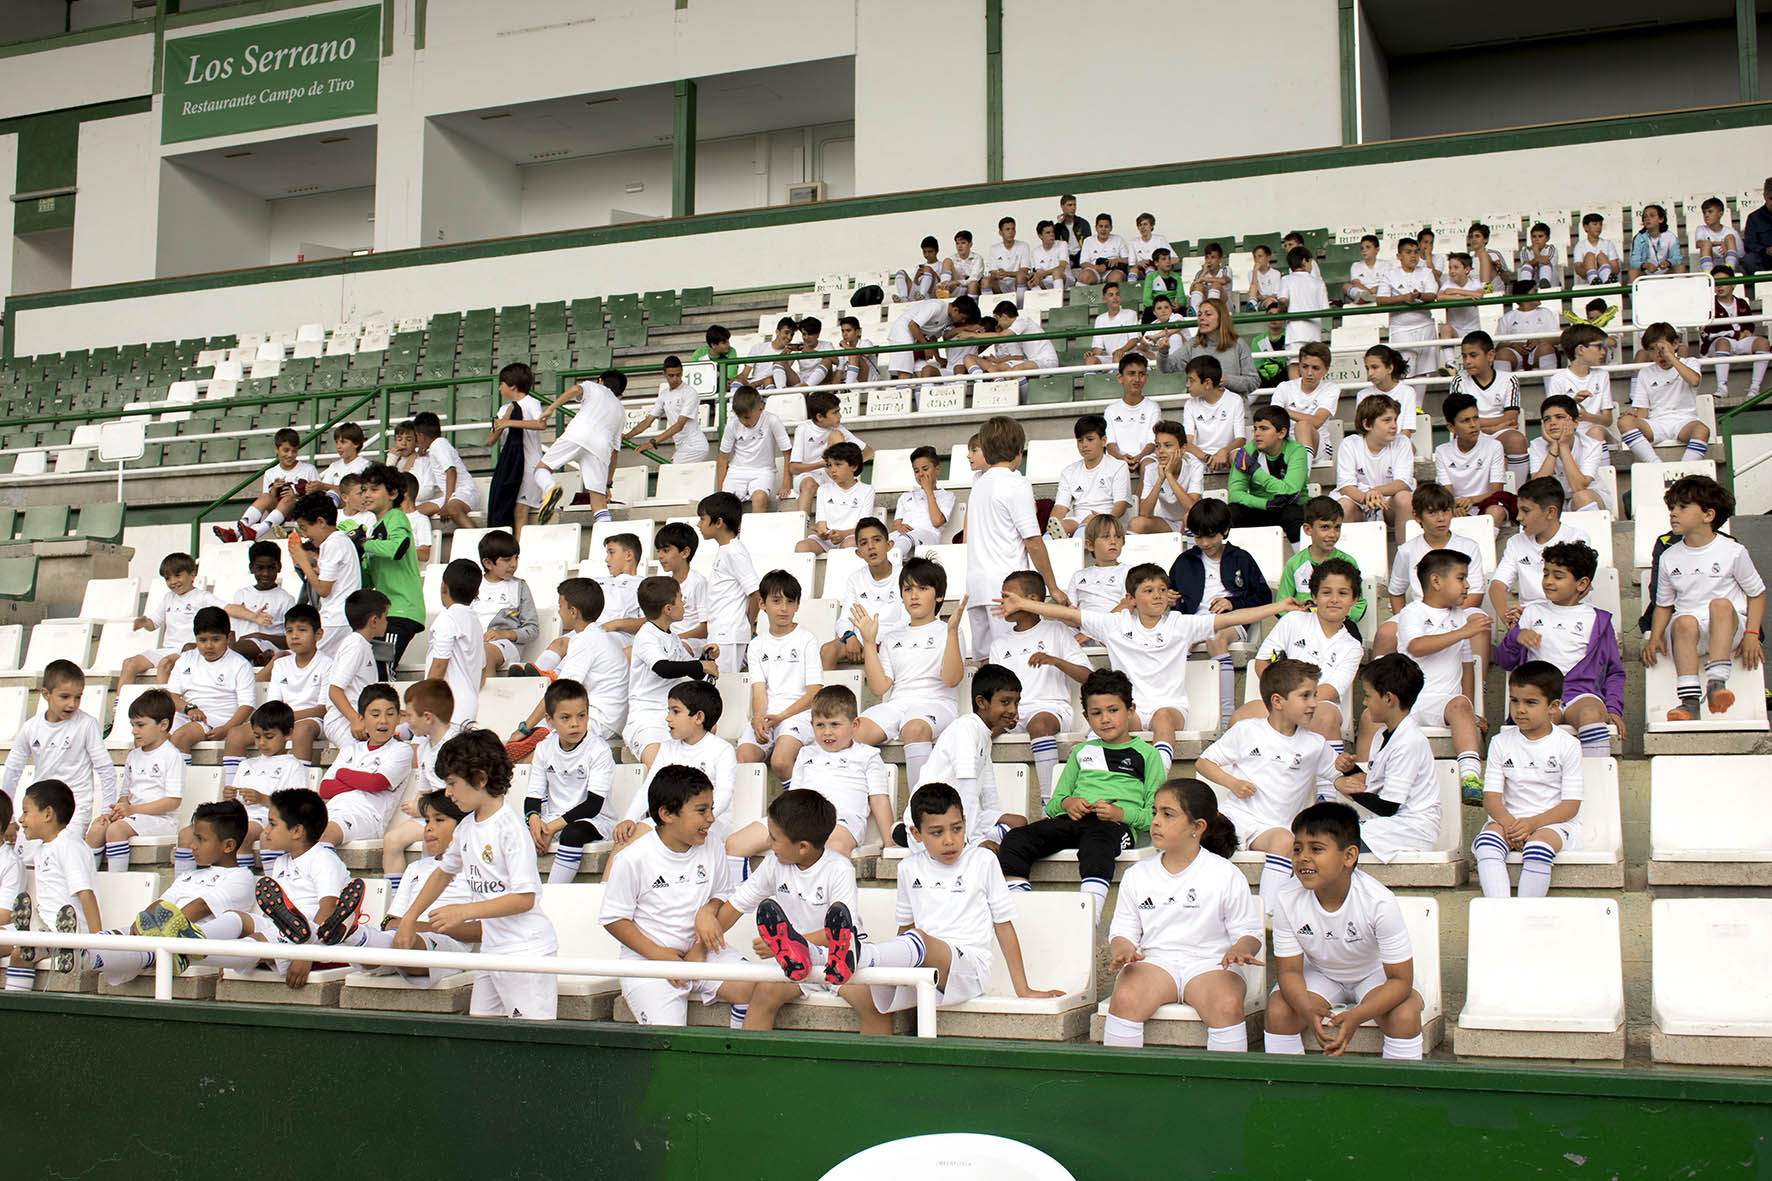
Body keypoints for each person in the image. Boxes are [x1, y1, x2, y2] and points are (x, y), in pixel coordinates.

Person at [999, 568, 1288, 771]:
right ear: (1132, 598)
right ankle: (1096, 771)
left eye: (1162, 590)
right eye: (1148, 590)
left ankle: (1157, 773)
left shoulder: (1180, 623)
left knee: (1162, 716)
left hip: (1170, 706)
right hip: (1132, 708)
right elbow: (1068, 614)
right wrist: (1023, 603)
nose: (1158, 596)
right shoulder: (1116, 624)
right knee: (1114, 717)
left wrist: (1278, 605)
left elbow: (1232, 618)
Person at [826, 782, 1057, 1018]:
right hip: (924, 965)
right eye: (937, 832)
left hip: (970, 969)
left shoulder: (983, 860)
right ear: (916, 834)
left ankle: (860, 955)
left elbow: (1003, 925)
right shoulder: (908, 868)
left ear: (965, 823)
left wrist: (1023, 989)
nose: (949, 840)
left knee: (915, 939)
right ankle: (818, 955)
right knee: (897, 952)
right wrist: (897, 969)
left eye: (956, 829)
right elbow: (904, 928)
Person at [394, 729, 556, 1018]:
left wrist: (463, 910)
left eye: (453, 783)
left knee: (532, 1045)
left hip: (525, 954)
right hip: (491, 953)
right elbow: (443, 873)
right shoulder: (467, 827)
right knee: (483, 1035)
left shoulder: (510, 828)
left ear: (480, 779)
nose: (448, 792)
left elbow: (525, 898)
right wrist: (408, 919)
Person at [699, 789, 883, 1032]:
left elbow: (840, 932)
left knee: (874, 1006)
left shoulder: (839, 868)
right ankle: (749, 1064)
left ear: (803, 847)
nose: (768, 843)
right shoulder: (775, 863)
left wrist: (789, 943)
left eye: (774, 838)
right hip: (797, 962)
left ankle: (872, 1069)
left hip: (841, 957)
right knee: (764, 992)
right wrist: (700, 944)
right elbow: (735, 906)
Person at [1100, 778, 1262, 1052]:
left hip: (1211, 964)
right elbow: (1123, 931)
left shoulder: (1225, 873)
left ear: (1197, 827)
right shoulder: (1137, 875)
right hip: (1156, 962)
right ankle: (1120, 1086)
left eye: (1168, 814)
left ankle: (1227, 1089)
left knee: (1226, 1003)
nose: (1155, 822)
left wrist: (1241, 948)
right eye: (1154, 812)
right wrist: (1124, 949)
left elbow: (1249, 932)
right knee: (1126, 994)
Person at [602, 765, 765, 1029]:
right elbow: (613, 918)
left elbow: (721, 894)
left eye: (711, 808)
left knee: (759, 990)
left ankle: (738, 1060)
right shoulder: (633, 858)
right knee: (669, 1040)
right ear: (666, 814)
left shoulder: (711, 843)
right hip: (649, 962)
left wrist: (707, 914)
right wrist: (660, 956)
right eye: (702, 811)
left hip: (706, 952)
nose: (711, 819)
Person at [1265, 801, 1426, 1059]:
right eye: (1297, 849)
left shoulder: (1379, 901)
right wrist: (1306, 1010)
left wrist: (1356, 1017)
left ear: (1349, 856)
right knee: (1279, 1010)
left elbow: (1400, 981)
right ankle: (1284, 1092)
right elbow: (1290, 972)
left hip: (1374, 977)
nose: (1303, 858)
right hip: (1320, 974)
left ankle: (1401, 1096)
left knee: (1404, 1014)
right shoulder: (1286, 898)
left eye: (1316, 849)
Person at [1196, 659, 1338, 900]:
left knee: (1285, 841)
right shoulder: (1247, 730)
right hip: (1235, 817)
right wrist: (1233, 783)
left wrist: (1348, 774)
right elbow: (1203, 763)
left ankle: (1269, 916)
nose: (1314, 703)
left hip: (1273, 829)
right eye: (1305, 696)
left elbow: (1340, 777)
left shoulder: (1315, 744)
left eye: (1315, 695)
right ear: (1277, 701)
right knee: (1197, 833)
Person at [201, 787, 363, 990]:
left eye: (272, 824)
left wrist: (308, 954)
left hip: (311, 936)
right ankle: (190, 939)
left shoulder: (323, 859)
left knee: (259, 941)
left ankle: (191, 956)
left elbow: (329, 909)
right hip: (282, 929)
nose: (265, 831)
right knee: (235, 918)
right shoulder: (281, 862)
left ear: (296, 831)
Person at [95, 800, 257, 988]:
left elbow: (201, 906)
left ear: (228, 845)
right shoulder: (189, 876)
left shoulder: (241, 877)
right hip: (158, 936)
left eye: (201, 839)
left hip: (190, 947)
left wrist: (157, 931)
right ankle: (81, 952)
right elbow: (161, 903)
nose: (193, 845)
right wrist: (141, 923)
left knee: (143, 949)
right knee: (116, 936)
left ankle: (89, 956)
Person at [1645, 475, 1765, 720]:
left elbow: (1757, 594)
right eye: (1672, 507)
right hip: (1688, 635)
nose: (1673, 513)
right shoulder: (1669, 556)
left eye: (1683, 507)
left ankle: (1716, 685)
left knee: (1721, 605)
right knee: (1684, 621)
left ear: (1708, 515)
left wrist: (1752, 634)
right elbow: (1664, 605)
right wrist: (1655, 636)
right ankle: (1689, 703)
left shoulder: (1733, 551)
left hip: (1729, 631)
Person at [338, 788, 481, 986]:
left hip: (450, 945)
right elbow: (390, 921)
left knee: (406, 945)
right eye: (426, 821)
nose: (428, 828)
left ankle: (354, 935)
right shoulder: (416, 868)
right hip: (402, 937)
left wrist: (416, 927)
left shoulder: (477, 868)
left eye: (438, 820)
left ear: (462, 827)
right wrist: (406, 928)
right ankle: (353, 936)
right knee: (372, 955)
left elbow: (480, 931)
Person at [1495, 540, 1624, 757]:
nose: (1548, 581)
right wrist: (1516, 636)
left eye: (1558, 576)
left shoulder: (1598, 620)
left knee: (1592, 713)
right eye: (1545, 574)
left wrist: (1613, 709)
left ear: (1581, 584)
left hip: (1582, 694)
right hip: (1540, 694)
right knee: (1535, 719)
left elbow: (1614, 671)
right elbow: (1505, 661)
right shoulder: (1530, 613)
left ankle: (1596, 777)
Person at [1472, 661, 1585, 899]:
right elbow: (1491, 799)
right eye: (1514, 700)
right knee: (1487, 844)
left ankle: (1525, 913)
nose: (1520, 709)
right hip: (1508, 821)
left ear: (1553, 706)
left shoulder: (1568, 745)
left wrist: (1532, 825)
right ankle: (1499, 911)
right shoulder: (1501, 742)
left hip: (1552, 824)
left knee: (1538, 848)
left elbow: (1570, 806)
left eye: (1530, 702)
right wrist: (1512, 826)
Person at [853, 557, 967, 787]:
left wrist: (953, 631)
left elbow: (951, 679)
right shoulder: (892, 636)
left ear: (938, 596)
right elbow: (879, 687)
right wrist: (868, 642)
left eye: (922, 588)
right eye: (907, 589)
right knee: (853, 732)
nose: (914, 595)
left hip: (937, 703)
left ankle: (919, 805)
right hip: (898, 705)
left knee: (914, 728)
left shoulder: (950, 631)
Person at [1171, 497, 1281, 731]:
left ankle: (1227, 717)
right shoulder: (1184, 561)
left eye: (1210, 536)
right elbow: (1173, 599)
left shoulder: (1241, 558)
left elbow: (1262, 596)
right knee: (1180, 644)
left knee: (1216, 637)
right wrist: (1171, 601)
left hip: (1231, 622)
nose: (1204, 542)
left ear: (1225, 531)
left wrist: (1233, 602)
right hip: (1192, 622)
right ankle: (1180, 708)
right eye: (1198, 536)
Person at [1388, 549, 1489, 802]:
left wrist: (1471, 707)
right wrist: (1464, 632)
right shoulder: (1412, 612)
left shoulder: (1461, 617)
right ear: (1436, 581)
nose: (1468, 586)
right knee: (1372, 716)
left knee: (1461, 705)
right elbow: (1416, 646)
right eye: (1461, 578)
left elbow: (1467, 666)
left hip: (1445, 703)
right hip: (1409, 702)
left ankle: (1470, 776)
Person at [1233, 559, 1364, 751]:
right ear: (1314, 595)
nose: (1334, 599)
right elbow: (1263, 661)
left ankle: (1330, 780)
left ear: (1354, 599)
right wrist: (1285, 698)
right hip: (1281, 700)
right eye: (1327, 592)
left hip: (1319, 705)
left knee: (1327, 717)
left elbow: (1331, 689)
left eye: (1343, 593)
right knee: (1239, 718)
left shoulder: (1352, 647)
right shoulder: (1293, 621)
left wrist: (1297, 702)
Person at [964, 415, 1066, 656]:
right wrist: (1053, 587)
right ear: (1019, 451)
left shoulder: (978, 485)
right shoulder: (1015, 483)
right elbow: (1032, 540)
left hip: (976, 587)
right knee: (1015, 660)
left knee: (988, 663)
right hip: (1006, 588)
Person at [991, 571, 1091, 805]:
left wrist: (1055, 661)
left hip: (1050, 709)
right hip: (1012, 714)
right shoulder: (999, 644)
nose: (1001, 602)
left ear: (1032, 598)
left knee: (1040, 723)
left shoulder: (1056, 631)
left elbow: (1087, 676)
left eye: (1008, 596)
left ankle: (1050, 802)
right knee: (978, 731)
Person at [899, 663, 1025, 847]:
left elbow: (988, 787)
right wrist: (976, 839)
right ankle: (910, 833)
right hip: (936, 818)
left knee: (1019, 822)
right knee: (992, 848)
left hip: (960, 814)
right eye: (1005, 702)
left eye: (1016, 702)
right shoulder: (965, 728)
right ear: (982, 702)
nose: (1013, 710)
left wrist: (994, 820)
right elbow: (967, 789)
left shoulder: (984, 734)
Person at [1330, 655, 1440, 863]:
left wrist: (1350, 790)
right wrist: (1350, 771)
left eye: (1368, 696)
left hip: (1411, 828)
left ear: (1389, 699)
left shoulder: (1409, 742)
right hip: (1392, 825)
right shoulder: (1383, 735)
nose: (1364, 702)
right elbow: (1376, 783)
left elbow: (1388, 806)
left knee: (1333, 849)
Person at [3, 660, 114, 863]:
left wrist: (107, 808)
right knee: (25, 863)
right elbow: (12, 771)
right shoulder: (31, 728)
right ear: (46, 694)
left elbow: (105, 768)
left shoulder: (86, 724)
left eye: (78, 697)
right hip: (39, 807)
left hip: (73, 808)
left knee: (59, 860)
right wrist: (8, 818)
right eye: (65, 697)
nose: (72, 704)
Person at [5, 780, 103, 987]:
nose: (21, 820)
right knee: (19, 954)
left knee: (31, 945)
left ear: (48, 814)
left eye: (25, 812)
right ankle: (17, 1009)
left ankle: (71, 946)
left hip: (75, 932)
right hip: (49, 931)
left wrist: (97, 942)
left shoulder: (69, 846)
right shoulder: (41, 850)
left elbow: (86, 894)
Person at [509, 580, 628, 750]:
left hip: (600, 719)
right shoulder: (594, 636)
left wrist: (525, 728)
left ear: (573, 612)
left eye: (561, 606)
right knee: (543, 739)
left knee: (542, 751)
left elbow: (560, 692)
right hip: (604, 716)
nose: (559, 612)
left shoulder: (586, 641)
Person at [525, 679, 619, 885]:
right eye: (565, 718)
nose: (575, 723)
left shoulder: (599, 750)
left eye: (581, 715)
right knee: (515, 832)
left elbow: (593, 805)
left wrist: (550, 828)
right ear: (549, 720)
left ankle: (553, 892)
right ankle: (522, 891)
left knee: (572, 833)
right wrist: (534, 823)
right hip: (553, 817)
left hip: (593, 819)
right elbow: (533, 795)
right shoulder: (544, 748)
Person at [1377, 481, 1487, 657]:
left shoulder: (1468, 546)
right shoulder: (1407, 550)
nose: (1441, 518)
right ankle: (1384, 683)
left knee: (1480, 623)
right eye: (1432, 512)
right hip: (1421, 612)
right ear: (1417, 516)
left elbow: (1475, 594)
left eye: (1445, 510)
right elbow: (1396, 592)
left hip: (1460, 610)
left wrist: (1446, 619)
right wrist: (1406, 619)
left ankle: (1479, 683)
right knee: (1386, 633)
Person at [736, 569, 821, 787]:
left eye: (790, 601)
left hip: (797, 715)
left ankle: (798, 811)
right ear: (762, 604)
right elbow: (759, 689)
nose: (784, 608)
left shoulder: (807, 639)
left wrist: (781, 716)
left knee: (780, 762)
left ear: (797, 605)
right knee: (743, 758)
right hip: (768, 716)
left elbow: (814, 693)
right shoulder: (756, 645)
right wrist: (757, 718)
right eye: (776, 601)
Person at [88, 689, 183, 873]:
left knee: (116, 831)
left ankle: (116, 880)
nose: (134, 731)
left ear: (163, 724)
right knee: (97, 828)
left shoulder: (171, 756)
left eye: (140, 725)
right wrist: (117, 811)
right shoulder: (133, 756)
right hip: (135, 816)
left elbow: (172, 801)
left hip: (162, 820)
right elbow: (125, 796)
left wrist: (132, 810)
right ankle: (88, 882)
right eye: (133, 725)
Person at [626, 575, 718, 767]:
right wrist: (701, 665)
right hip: (647, 720)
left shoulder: (672, 638)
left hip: (675, 717)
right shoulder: (646, 635)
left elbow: (695, 672)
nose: (684, 603)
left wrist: (706, 658)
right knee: (660, 769)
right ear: (668, 609)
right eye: (680, 599)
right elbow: (663, 668)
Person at [316, 682, 413, 858]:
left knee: (323, 834)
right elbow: (325, 789)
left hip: (366, 817)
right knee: (288, 833)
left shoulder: (401, 750)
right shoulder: (350, 749)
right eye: (375, 714)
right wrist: (363, 781)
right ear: (361, 719)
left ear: (399, 718)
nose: (383, 720)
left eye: (390, 714)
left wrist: (342, 774)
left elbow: (376, 783)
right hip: (332, 811)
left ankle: (329, 882)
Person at [380, 680, 458, 890]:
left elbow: (457, 794)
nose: (406, 722)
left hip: (455, 815)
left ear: (427, 718)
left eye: (409, 716)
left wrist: (423, 808)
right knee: (392, 839)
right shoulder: (423, 746)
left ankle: (432, 892)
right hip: (431, 812)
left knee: (430, 837)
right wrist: (418, 804)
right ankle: (396, 898)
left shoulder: (455, 745)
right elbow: (425, 788)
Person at [213, 701, 306, 874]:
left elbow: (295, 806)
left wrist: (262, 799)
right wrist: (230, 797)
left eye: (269, 737)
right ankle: (236, 878)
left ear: (288, 734)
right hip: (244, 817)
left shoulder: (292, 765)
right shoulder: (246, 764)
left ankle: (272, 880)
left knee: (244, 833)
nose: (262, 743)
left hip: (269, 818)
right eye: (257, 736)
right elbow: (237, 801)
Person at [164, 607, 257, 770]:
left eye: (215, 639)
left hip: (218, 718)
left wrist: (227, 728)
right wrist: (189, 709)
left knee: (181, 736)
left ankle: (178, 790)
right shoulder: (186, 659)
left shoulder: (239, 664)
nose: (208, 646)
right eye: (202, 640)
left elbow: (246, 705)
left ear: (228, 637)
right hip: (187, 715)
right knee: (151, 734)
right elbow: (172, 696)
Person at [533, 370, 628, 525]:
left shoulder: (594, 387)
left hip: (578, 434)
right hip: (601, 446)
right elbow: (615, 452)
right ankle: (606, 537)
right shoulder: (621, 412)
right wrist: (607, 484)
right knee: (598, 501)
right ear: (621, 392)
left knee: (541, 469)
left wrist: (551, 408)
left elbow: (575, 390)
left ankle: (550, 488)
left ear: (600, 380)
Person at [1488, 478, 1588, 624]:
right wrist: (1508, 618)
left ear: (1550, 512)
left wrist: (1539, 615)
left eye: (1526, 511)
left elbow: (1578, 591)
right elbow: (1497, 585)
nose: (1518, 517)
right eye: (1518, 510)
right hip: (1530, 619)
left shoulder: (1576, 538)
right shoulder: (1516, 542)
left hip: (1570, 617)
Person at [120, 551, 224, 686]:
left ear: (192, 575)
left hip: (190, 649)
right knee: (129, 663)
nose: (173, 582)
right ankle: (119, 705)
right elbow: (153, 624)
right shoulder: (168, 597)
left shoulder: (203, 597)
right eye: (168, 578)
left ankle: (162, 704)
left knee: (165, 663)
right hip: (168, 649)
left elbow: (224, 611)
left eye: (177, 576)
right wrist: (145, 622)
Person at [357, 463, 423, 675]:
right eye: (364, 490)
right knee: (374, 671)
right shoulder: (375, 530)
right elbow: (368, 582)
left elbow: (397, 548)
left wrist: (363, 543)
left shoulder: (396, 517)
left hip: (401, 610)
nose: (367, 495)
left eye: (374, 489)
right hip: (387, 613)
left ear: (393, 493)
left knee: (382, 671)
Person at [1448, 331, 1527, 490]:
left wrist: (1490, 428)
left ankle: (1518, 494)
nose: (1467, 361)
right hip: (1470, 433)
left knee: (1517, 441)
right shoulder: (1459, 381)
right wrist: (1496, 426)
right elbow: (1460, 421)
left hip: (1500, 432)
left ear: (1490, 356)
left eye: (1473, 355)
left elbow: (1511, 419)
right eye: (1464, 357)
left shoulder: (1508, 379)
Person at [1619, 321, 1707, 463]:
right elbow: (1643, 412)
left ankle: (1686, 473)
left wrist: (1671, 356)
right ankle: (1655, 465)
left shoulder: (1690, 362)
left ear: (1675, 344)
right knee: (1625, 422)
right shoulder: (1645, 373)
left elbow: (1694, 381)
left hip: (1684, 421)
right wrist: (1635, 418)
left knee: (1702, 430)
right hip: (1656, 423)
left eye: (1662, 348)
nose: (1659, 354)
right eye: (1652, 349)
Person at [287, 492, 360, 659]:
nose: (305, 535)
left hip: (334, 620)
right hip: (342, 619)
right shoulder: (341, 540)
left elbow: (323, 589)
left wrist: (303, 562)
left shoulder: (331, 544)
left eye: (305, 528)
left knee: (302, 660)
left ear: (320, 522)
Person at [214, 427, 320, 543]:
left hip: (300, 511)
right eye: (286, 450)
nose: (290, 455)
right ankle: (235, 532)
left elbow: (318, 498)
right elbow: (269, 500)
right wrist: (275, 489)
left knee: (288, 499)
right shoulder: (270, 473)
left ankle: (256, 532)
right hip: (278, 512)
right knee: (265, 496)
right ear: (276, 449)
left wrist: (295, 496)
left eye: (294, 451)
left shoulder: (308, 469)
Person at [1277, 497, 1368, 627]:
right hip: (1302, 628)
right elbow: (1283, 603)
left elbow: (1359, 604)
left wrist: (1337, 616)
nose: (1332, 534)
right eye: (1325, 527)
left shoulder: (1347, 562)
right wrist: (1299, 618)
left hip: (1338, 626)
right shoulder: (1295, 563)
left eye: (1337, 528)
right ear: (1308, 529)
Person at [698, 491, 761, 675]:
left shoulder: (734, 551)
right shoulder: (726, 550)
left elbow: (755, 592)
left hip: (729, 634)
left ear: (718, 523)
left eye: (702, 519)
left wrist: (747, 624)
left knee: (724, 687)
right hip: (721, 631)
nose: (699, 524)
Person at [1227, 405, 1308, 543]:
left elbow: (1290, 491)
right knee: (1231, 512)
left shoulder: (1296, 450)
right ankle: (1236, 560)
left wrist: (1256, 472)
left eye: (1264, 428)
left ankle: (1302, 562)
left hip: (1290, 507)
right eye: (1255, 429)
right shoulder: (1247, 452)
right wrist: (1266, 504)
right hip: (1260, 507)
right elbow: (1234, 494)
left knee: (1293, 513)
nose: (1257, 434)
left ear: (1281, 433)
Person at [484, 362, 548, 537]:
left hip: (528, 464)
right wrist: (503, 420)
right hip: (510, 465)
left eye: (502, 384)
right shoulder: (504, 409)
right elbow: (491, 439)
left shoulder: (531, 402)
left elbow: (540, 424)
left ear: (512, 385)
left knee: (520, 510)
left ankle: (520, 551)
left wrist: (510, 422)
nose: (499, 388)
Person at [1335, 392, 1416, 529]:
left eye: (1395, 420)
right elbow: (1346, 486)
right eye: (1387, 420)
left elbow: (1403, 483)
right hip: (1359, 501)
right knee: (1344, 506)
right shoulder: (1349, 443)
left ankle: (1405, 550)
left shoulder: (1403, 442)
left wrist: (1376, 491)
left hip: (1388, 503)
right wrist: (1368, 498)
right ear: (1367, 424)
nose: (1394, 425)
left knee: (1405, 498)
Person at [321, 589, 388, 749]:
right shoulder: (355, 646)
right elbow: (335, 690)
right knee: (358, 762)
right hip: (343, 720)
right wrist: (354, 720)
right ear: (373, 620)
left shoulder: (361, 645)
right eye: (385, 617)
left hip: (356, 718)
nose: (387, 622)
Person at [262, 604, 329, 765]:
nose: (294, 636)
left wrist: (287, 719)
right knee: (237, 734)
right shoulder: (281, 664)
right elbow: (273, 704)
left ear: (318, 634)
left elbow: (322, 709)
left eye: (302, 630)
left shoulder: (327, 664)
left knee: (301, 730)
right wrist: (281, 720)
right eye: (289, 631)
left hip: (314, 722)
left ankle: (297, 784)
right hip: (281, 720)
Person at [786, 390, 873, 514]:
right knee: (808, 484)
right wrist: (823, 464)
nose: (840, 416)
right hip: (809, 474)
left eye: (839, 411)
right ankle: (802, 525)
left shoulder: (838, 428)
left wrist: (849, 464)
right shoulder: (803, 429)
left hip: (832, 472)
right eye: (835, 412)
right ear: (820, 417)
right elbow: (794, 468)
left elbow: (869, 452)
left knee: (837, 436)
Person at [1047, 414, 1132, 539]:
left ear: (1103, 441)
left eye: (1090, 439)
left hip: (1108, 520)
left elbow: (1121, 504)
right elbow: (1060, 506)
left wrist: (1103, 520)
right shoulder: (1069, 471)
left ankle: (1074, 541)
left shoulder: (1118, 466)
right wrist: (1052, 523)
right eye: (1080, 440)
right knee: (1054, 532)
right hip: (1078, 521)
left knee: (1087, 524)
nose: (1084, 445)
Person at [1528, 394, 1613, 514]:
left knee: (1581, 497)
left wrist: (1563, 447)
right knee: (1538, 503)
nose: (1552, 422)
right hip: (1556, 499)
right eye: (1547, 419)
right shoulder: (1537, 445)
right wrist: (1554, 448)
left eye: (1559, 417)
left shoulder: (1591, 445)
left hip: (1589, 495)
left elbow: (1579, 487)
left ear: (1575, 422)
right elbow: (1537, 488)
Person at [472, 530, 539, 679]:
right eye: (507, 560)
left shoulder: (519, 586)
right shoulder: (473, 584)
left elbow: (532, 629)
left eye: (516, 558)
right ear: (488, 563)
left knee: (484, 656)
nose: (513, 564)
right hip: (473, 642)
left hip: (505, 645)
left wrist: (506, 634)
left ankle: (490, 701)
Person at [716, 385, 792, 515]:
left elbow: (787, 452)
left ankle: (756, 534)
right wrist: (720, 491)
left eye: (746, 417)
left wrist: (786, 483)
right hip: (736, 471)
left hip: (763, 471)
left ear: (760, 409)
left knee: (759, 498)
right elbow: (722, 459)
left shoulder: (772, 420)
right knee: (726, 504)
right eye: (739, 417)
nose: (742, 421)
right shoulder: (732, 424)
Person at [1701, 266, 1770, 401]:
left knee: (1763, 342)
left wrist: (1747, 332)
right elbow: (1709, 333)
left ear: (1733, 284)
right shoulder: (1709, 304)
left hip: (1740, 342)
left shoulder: (1742, 303)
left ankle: (1754, 388)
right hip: (1715, 345)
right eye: (1716, 283)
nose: (1719, 287)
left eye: (1723, 282)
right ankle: (1722, 388)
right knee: (1723, 342)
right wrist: (1736, 334)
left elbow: (1749, 325)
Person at [1376, 236, 1441, 379]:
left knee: (1423, 374)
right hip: (1402, 329)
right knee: (1406, 373)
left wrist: (1418, 296)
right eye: (1408, 252)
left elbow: (1432, 295)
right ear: (1399, 256)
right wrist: (1403, 298)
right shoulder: (1390, 274)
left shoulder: (1426, 272)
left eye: (1416, 252)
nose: (1413, 256)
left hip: (1425, 326)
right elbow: (1380, 300)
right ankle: (1408, 402)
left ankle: (1418, 403)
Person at [626, 355, 708, 463]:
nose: (675, 379)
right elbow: (648, 421)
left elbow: (679, 425)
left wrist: (652, 443)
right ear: (664, 374)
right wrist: (627, 436)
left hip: (695, 446)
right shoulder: (664, 394)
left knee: (669, 474)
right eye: (671, 375)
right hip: (682, 447)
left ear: (682, 373)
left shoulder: (690, 393)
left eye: (678, 375)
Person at [1270, 341, 1340, 464]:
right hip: (1286, 443)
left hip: (1319, 446)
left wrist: (1284, 411)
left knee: (1303, 426)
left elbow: (1317, 421)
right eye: (1305, 366)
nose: (1309, 373)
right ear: (1299, 366)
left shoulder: (1331, 388)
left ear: (1326, 369)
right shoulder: (1284, 387)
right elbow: (1273, 420)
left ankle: (1301, 477)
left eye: (1316, 368)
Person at [797, 442, 874, 553]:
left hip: (851, 536)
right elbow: (822, 523)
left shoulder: (867, 490)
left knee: (849, 544)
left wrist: (843, 534)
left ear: (854, 466)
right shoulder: (823, 489)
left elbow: (862, 527)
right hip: (828, 539)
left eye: (838, 464)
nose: (832, 470)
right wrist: (822, 533)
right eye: (829, 465)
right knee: (801, 547)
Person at [226, 541, 293, 667]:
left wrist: (259, 636)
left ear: (279, 567)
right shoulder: (241, 594)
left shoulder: (286, 599)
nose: (266, 574)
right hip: (239, 651)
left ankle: (262, 657)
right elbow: (233, 630)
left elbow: (289, 638)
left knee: (244, 645)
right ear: (251, 568)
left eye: (271, 568)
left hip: (268, 647)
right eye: (260, 568)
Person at [1129, 418, 1202, 535]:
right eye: (1157, 446)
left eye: (1167, 446)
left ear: (1183, 449)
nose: (1161, 451)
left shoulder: (1195, 466)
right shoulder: (1151, 469)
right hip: (1166, 523)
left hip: (1193, 521)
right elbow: (1144, 512)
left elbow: (1192, 508)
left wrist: (1169, 475)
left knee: (1189, 517)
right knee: (1136, 523)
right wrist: (1160, 480)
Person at [1547, 324, 1615, 445]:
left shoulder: (1602, 375)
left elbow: (1607, 420)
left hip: (1599, 432)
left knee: (1596, 432)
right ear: (1580, 349)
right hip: (1569, 434)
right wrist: (1572, 404)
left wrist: (1587, 416)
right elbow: (1554, 419)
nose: (1604, 352)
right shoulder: (1558, 380)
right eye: (1599, 346)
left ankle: (1599, 464)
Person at [1180, 355, 1248, 475]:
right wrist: (1207, 457)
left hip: (1229, 453)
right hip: (1202, 455)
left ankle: (1239, 492)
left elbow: (1241, 439)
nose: (1187, 385)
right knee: (1180, 458)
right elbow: (1187, 442)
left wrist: (1224, 451)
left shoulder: (1234, 400)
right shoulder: (1190, 405)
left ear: (1207, 383)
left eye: (1192, 380)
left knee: (1239, 456)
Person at [412, 412, 480, 529]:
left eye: (416, 436)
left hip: (465, 492)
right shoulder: (434, 447)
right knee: (415, 512)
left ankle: (479, 540)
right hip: (452, 495)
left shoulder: (439, 444)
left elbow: (451, 471)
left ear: (421, 436)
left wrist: (447, 503)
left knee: (453, 509)